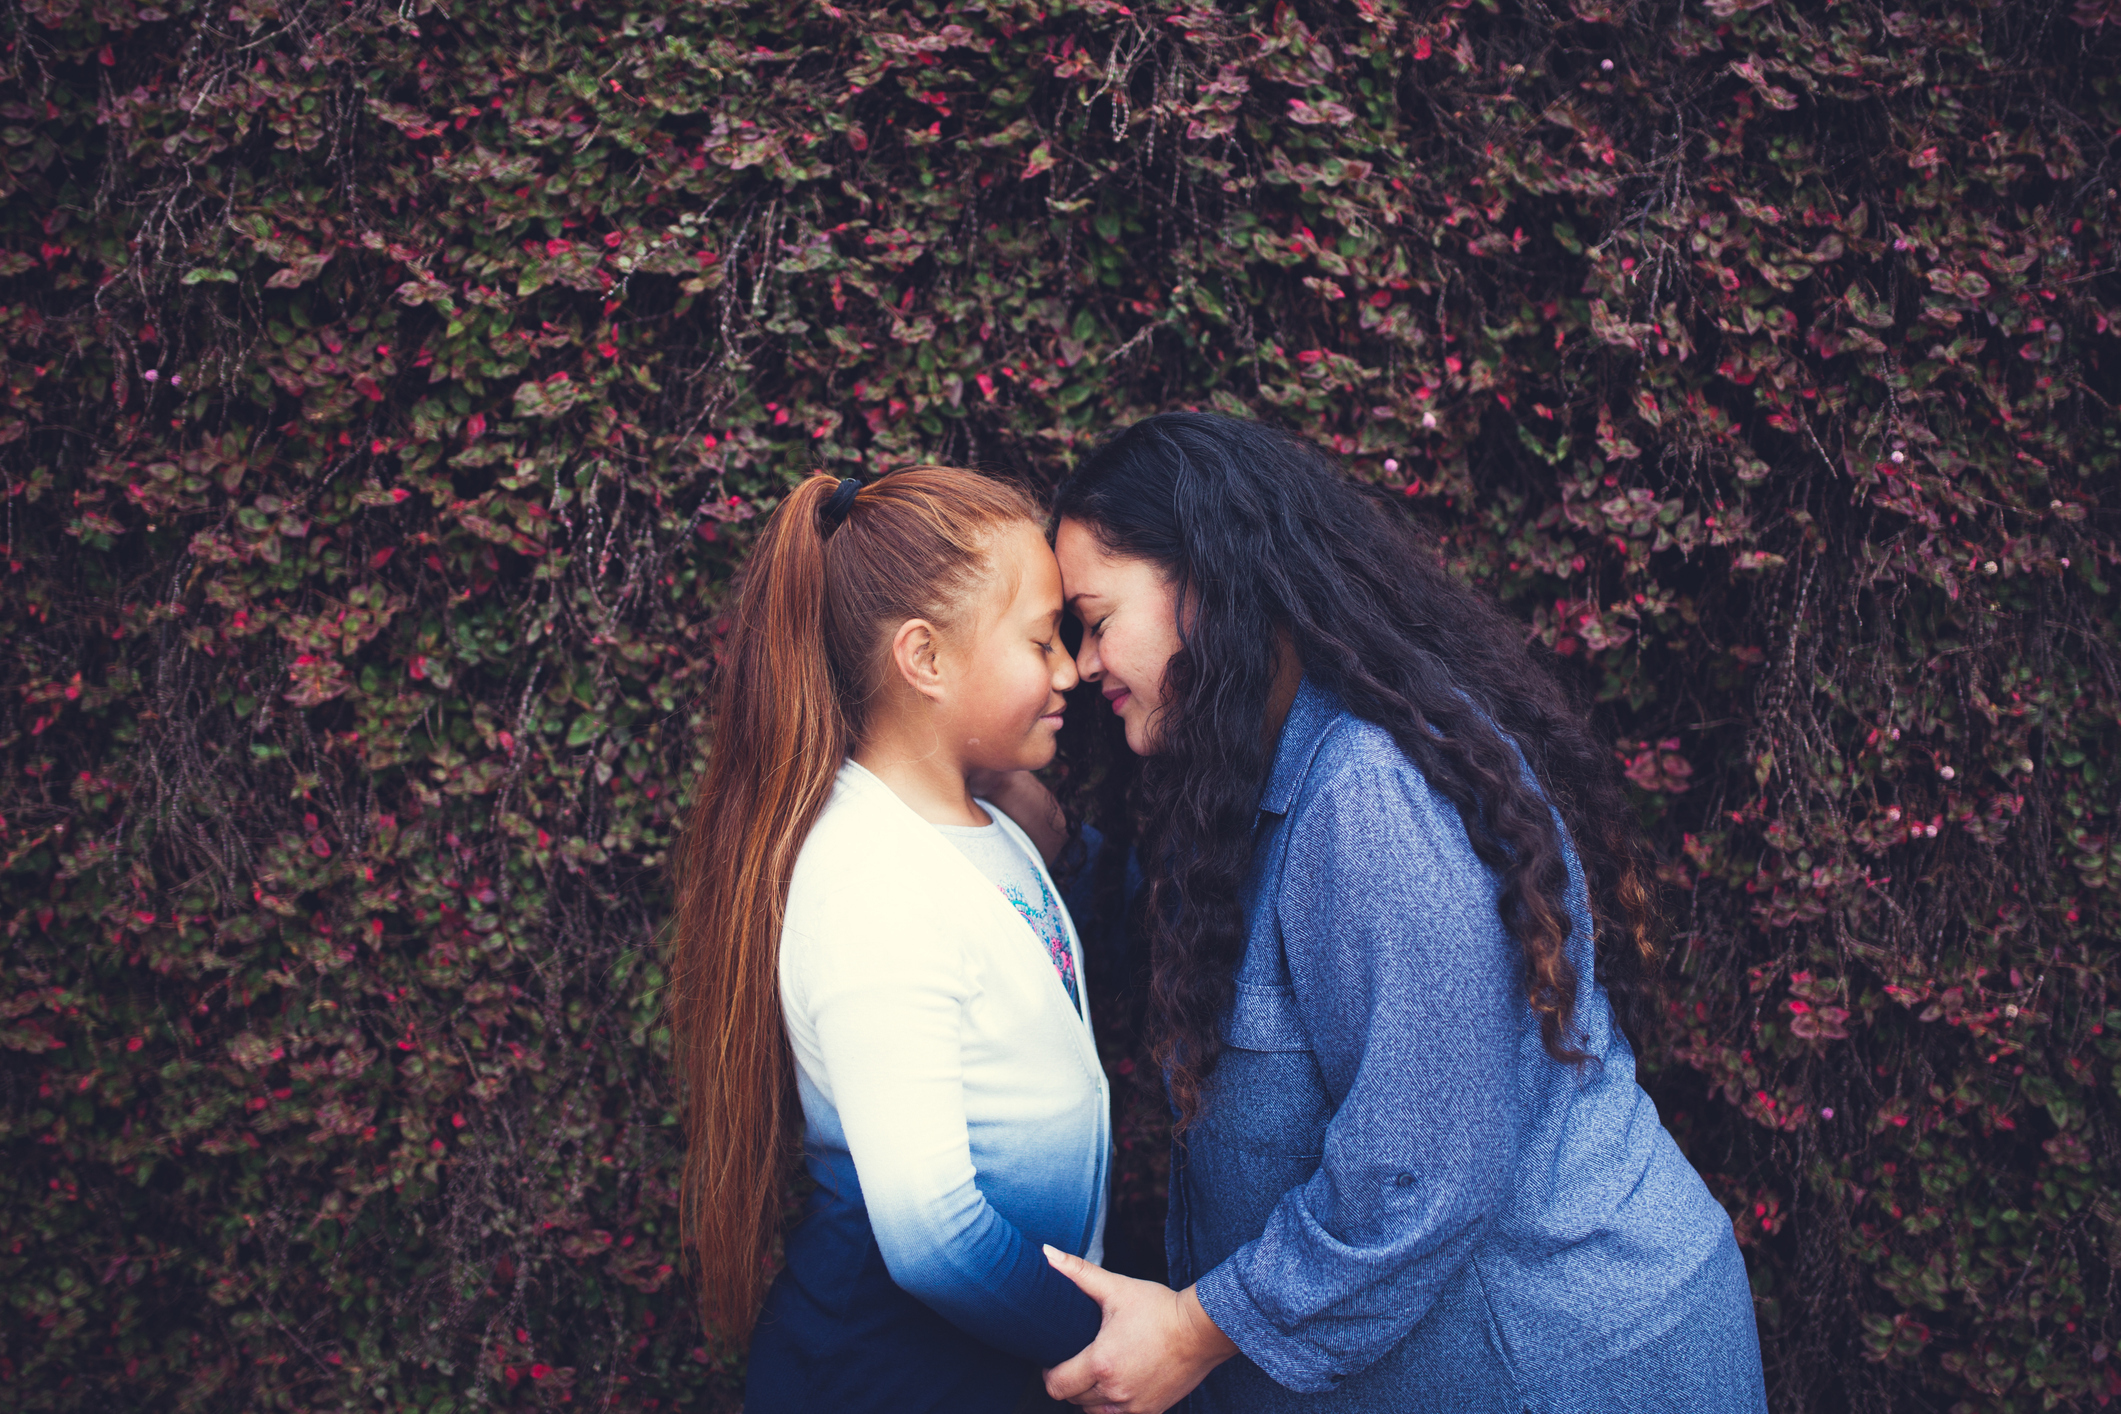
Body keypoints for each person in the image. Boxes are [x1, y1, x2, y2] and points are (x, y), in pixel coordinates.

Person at [1021, 412, 1770, 1413]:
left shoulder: (1372, 792)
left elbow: (1421, 1166)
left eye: (1095, 619)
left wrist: (1197, 1330)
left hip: (1560, 1367)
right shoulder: (1253, 777)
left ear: (1205, 580)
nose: (1079, 664)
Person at [667, 467, 1110, 1413]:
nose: (1070, 669)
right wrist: (1100, 1351)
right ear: (925, 659)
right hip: (890, 1373)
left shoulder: (980, 824)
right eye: (1040, 642)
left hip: (982, 1362)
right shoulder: (872, 880)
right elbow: (933, 1232)